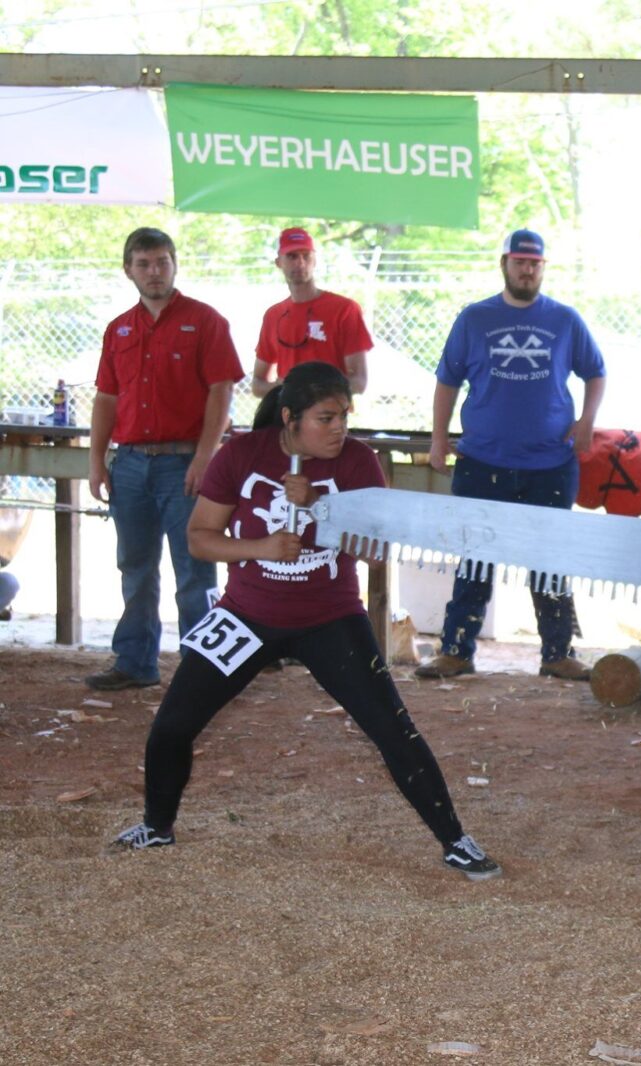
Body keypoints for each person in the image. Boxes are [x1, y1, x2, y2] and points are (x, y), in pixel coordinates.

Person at [109, 362, 500, 881]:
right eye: (326, 417)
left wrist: (318, 506)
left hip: (330, 618)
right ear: (290, 418)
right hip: (246, 614)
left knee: (392, 729)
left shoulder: (359, 463)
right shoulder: (242, 454)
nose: (339, 428)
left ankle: (455, 840)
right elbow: (200, 537)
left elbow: (377, 552)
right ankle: (157, 826)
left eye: (344, 416)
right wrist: (262, 547)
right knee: (171, 726)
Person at [415, 229, 606, 682]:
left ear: (543, 267)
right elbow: (447, 380)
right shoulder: (475, 317)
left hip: (550, 463)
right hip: (483, 460)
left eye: (534, 263)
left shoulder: (564, 319)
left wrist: (587, 422)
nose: (527, 269)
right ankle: (456, 650)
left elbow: (595, 373)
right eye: (519, 261)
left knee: (550, 560)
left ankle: (558, 653)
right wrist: (438, 439)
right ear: (505, 264)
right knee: (475, 558)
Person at [86, 227, 244, 691]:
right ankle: (135, 662)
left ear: (175, 264)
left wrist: (205, 455)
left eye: (161, 262)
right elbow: (106, 397)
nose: (154, 272)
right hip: (130, 463)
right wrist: (96, 461)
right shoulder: (119, 329)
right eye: (143, 264)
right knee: (134, 566)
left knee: (195, 567)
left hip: (184, 463)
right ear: (128, 270)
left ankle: (206, 671)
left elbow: (223, 390)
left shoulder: (205, 321)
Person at [250, 227, 374, 397]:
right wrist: (283, 389)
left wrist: (314, 392)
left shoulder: (344, 309)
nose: (300, 263)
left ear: (315, 261)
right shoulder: (273, 315)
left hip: (329, 417)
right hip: (287, 417)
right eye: (292, 256)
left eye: (306, 256)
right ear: (279, 262)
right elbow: (257, 385)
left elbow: (359, 382)